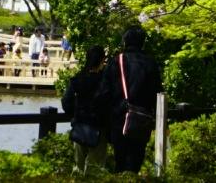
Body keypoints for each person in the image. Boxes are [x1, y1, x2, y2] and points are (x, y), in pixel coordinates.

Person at [99, 26, 160, 175]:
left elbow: (104, 93)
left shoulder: (115, 62)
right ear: (143, 43)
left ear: (125, 42)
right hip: (142, 119)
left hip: (119, 118)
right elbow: (157, 94)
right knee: (135, 162)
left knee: (120, 163)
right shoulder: (150, 63)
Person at [61, 44, 108, 176]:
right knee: (95, 169)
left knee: (78, 168)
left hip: (80, 126)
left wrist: (75, 114)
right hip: (99, 128)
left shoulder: (78, 79)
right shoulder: (105, 81)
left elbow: (66, 102)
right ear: (102, 60)